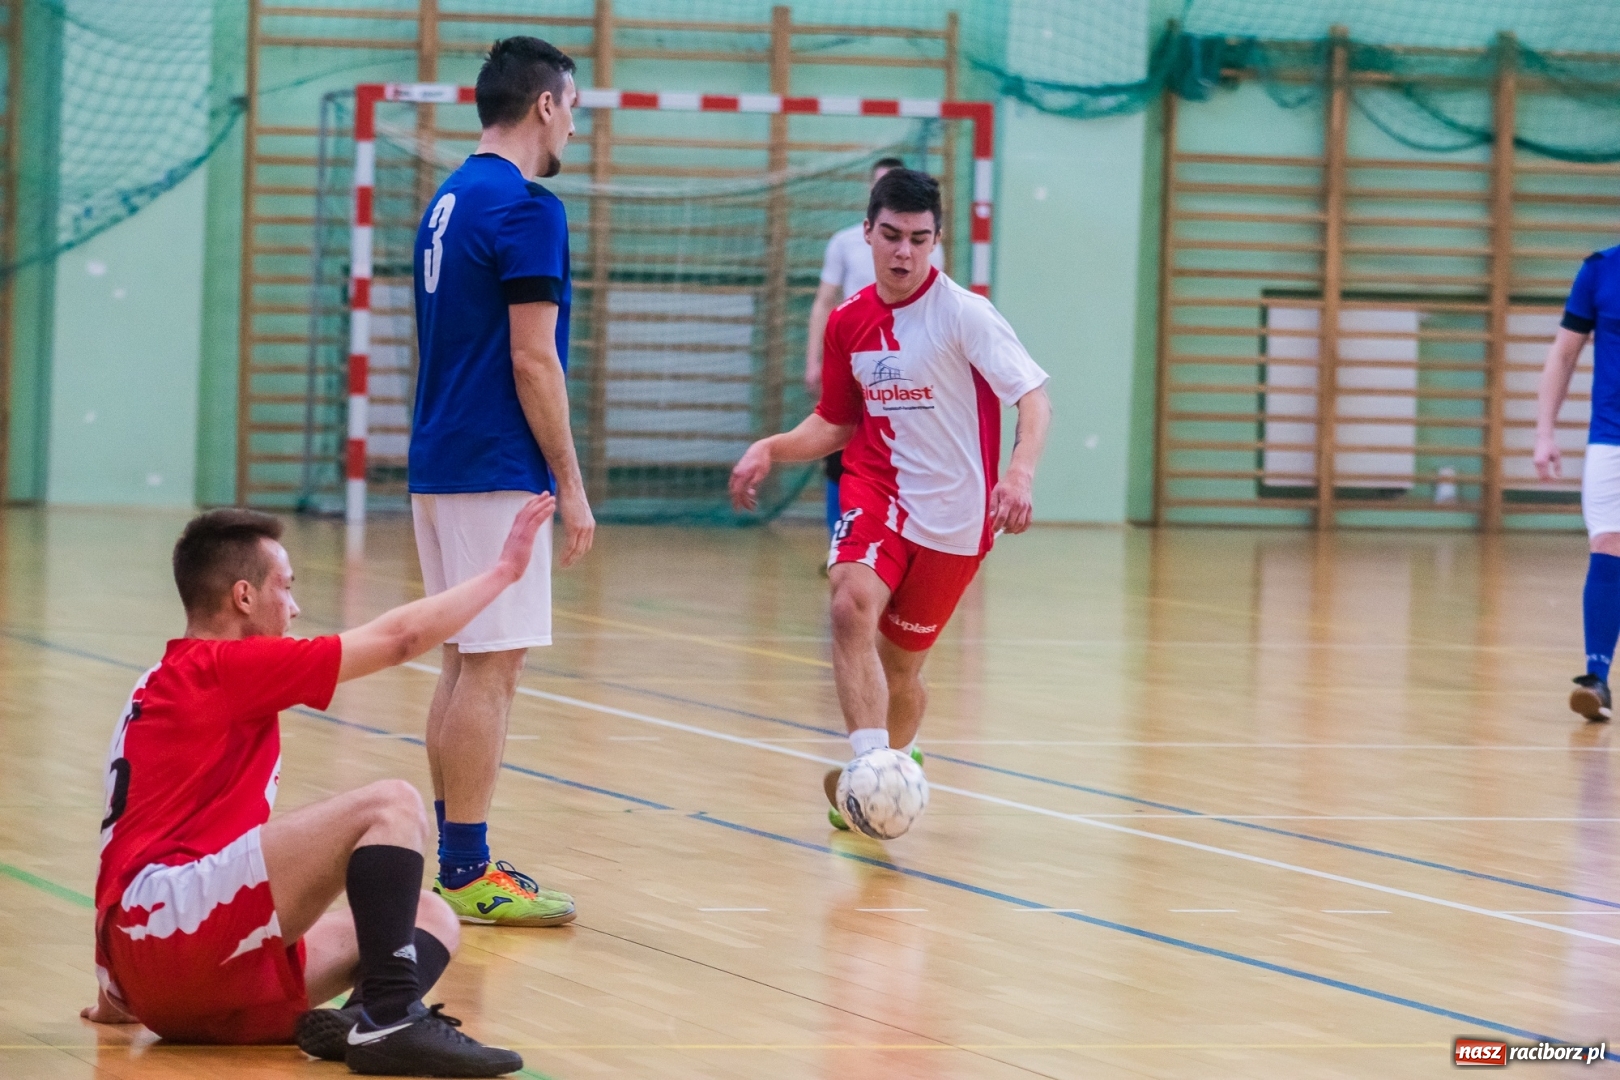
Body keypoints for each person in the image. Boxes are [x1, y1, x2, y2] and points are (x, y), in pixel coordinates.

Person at [85, 501, 553, 1075]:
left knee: (431, 917)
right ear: (244, 597)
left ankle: (361, 1024)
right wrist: (503, 571)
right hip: (177, 937)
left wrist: (119, 991)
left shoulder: (160, 681)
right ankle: (393, 1019)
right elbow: (400, 638)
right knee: (392, 804)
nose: (296, 606)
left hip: (158, 969)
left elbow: (123, 848)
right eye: (286, 586)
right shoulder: (225, 667)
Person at [730, 169, 1052, 829]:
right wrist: (772, 446)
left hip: (956, 519)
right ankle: (870, 770)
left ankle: (893, 769)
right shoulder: (848, 323)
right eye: (892, 236)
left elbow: (1033, 397)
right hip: (876, 488)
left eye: (919, 239)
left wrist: (1018, 473)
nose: (904, 252)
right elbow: (837, 425)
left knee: (902, 669)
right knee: (849, 603)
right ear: (867, 233)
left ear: (935, 241)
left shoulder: (966, 315)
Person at [409, 36, 593, 925]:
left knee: (461, 662)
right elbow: (534, 361)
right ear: (546, 106)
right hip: (494, 466)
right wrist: (573, 483)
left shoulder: (446, 199)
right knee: (492, 667)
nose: (576, 129)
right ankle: (468, 868)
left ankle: (454, 856)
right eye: (575, 109)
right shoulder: (529, 207)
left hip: (437, 460)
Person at [805, 157, 947, 537]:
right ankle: (842, 537)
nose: (905, 249)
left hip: (908, 365)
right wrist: (813, 360)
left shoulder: (926, 245)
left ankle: (906, 536)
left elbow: (939, 307)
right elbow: (824, 301)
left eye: (918, 239)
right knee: (839, 443)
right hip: (857, 358)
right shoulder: (845, 242)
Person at [1535, 243, 1620, 722]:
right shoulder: (1600, 271)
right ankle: (1597, 680)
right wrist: (1545, 432)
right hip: (1612, 439)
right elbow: (1564, 354)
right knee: (1608, 544)